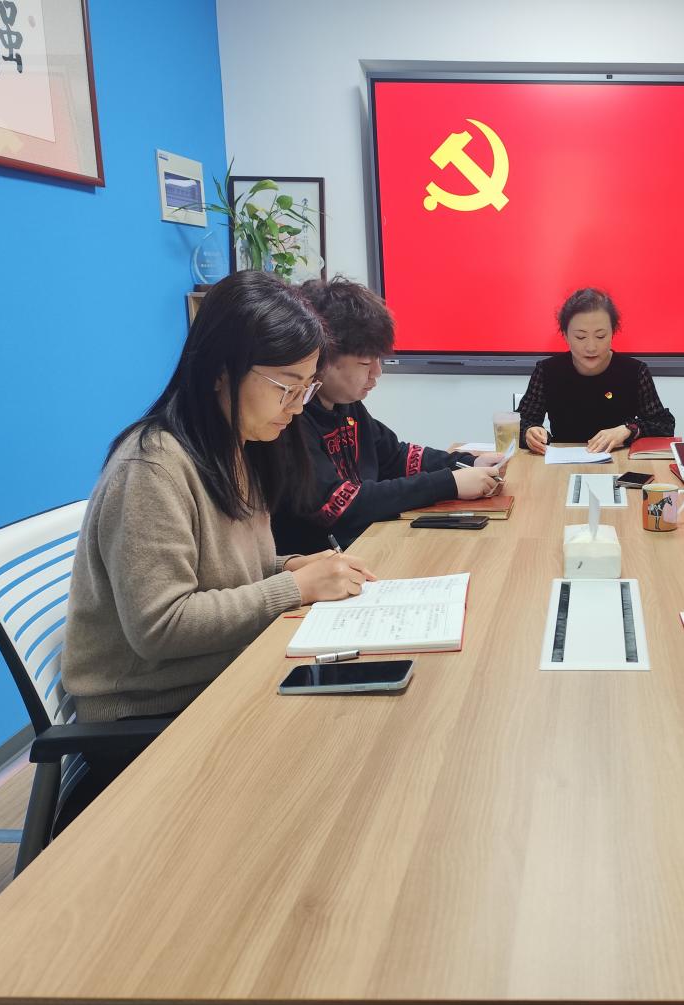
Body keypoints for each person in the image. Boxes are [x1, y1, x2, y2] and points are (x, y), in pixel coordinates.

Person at [62, 271, 375, 823]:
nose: (297, 406)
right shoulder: (152, 467)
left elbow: (225, 570)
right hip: (148, 716)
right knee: (343, 771)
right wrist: (293, 586)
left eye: (306, 388)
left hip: (217, 677)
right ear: (220, 371)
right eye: (285, 386)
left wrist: (290, 565)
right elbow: (161, 626)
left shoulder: (239, 447)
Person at [272, 277, 504, 554]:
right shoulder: (291, 419)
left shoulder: (347, 405)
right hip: (324, 561)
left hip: (365, 546)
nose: (377, 373)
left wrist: (468, 462)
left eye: (378, 360)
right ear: (321, 361)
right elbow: (343, 505)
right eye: (365, 363)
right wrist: (449, 484)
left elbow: (395, 456)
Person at [518, 288, 675, 453]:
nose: (591, 347)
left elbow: (664, 425)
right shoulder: (547, 371)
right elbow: (521, 421)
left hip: (619, 462)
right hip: (563, 462)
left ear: (613, 333)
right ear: (565, 335)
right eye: (580, 337)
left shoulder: (634, 371)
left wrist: (629, 429)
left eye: (600, 336)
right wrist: (530, 432)